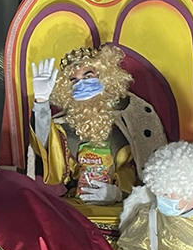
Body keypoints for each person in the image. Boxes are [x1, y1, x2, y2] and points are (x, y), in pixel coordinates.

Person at [30, 44, 167, 208]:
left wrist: (119, 192)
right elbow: (49, 155)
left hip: (126, 208)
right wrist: (41, 103)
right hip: (78, 206)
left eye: (88, 76)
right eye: (74, 81)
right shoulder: (64, 126)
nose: (81, 85)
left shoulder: (131, 115)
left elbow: (151, 168)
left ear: (104, 77)